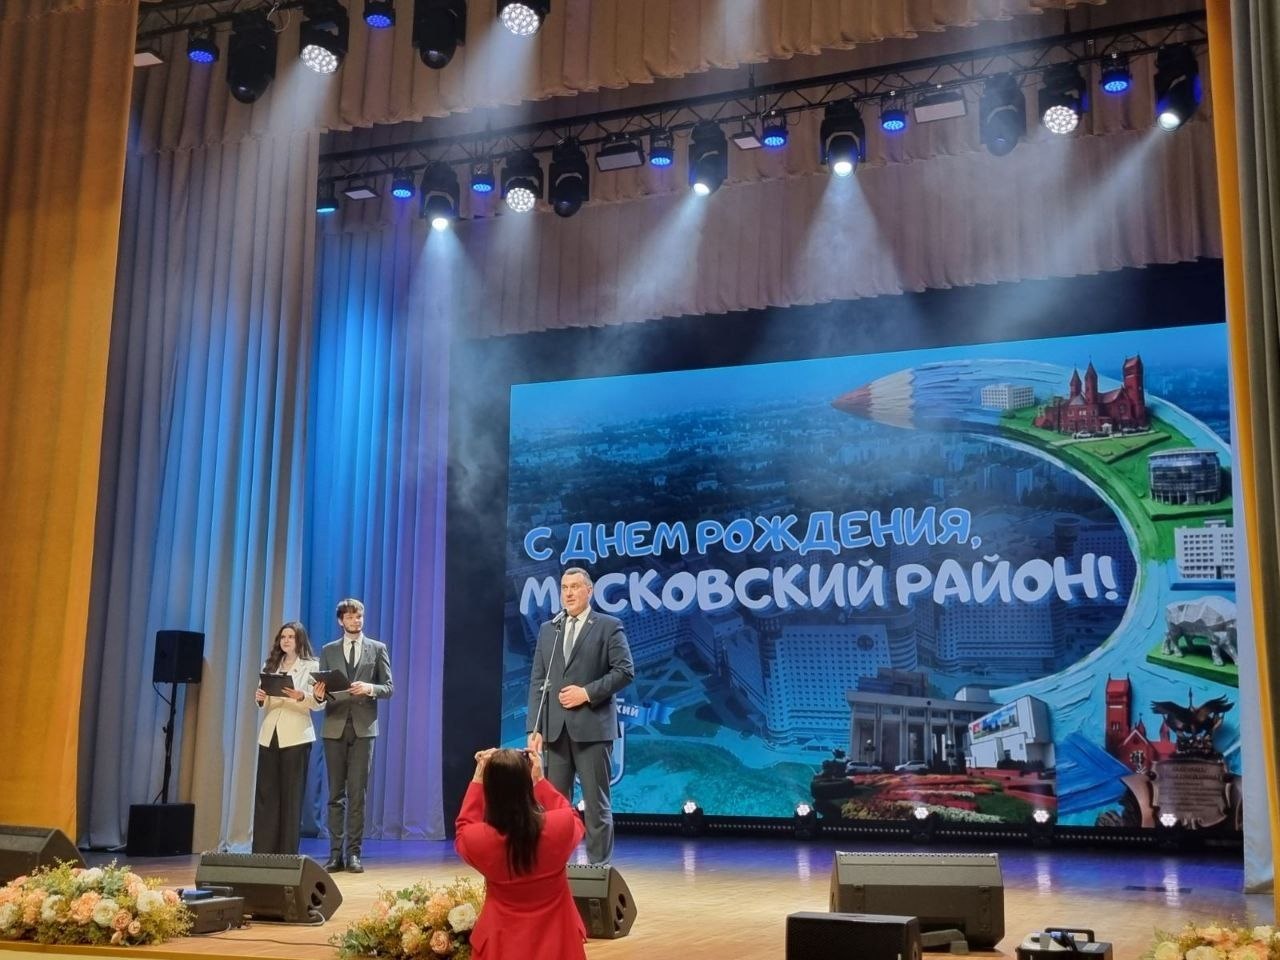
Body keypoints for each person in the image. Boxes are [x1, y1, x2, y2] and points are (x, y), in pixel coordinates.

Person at [526, 567, 634, 865]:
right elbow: (538, 681)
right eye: (564, 587)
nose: (569, 593)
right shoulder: (549, 629)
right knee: (554, 807)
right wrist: (534, 727)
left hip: (593, 729)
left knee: (596, 806)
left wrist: (586, 693)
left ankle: (599, 869)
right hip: (555, 731)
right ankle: (554, 868)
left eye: (575, 586)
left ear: (590, 590)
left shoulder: (608, 626)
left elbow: (625, 671)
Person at [455, 748, 587, 960]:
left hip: (501, 944)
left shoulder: (479, 840)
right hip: (558, 941)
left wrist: (478, 779)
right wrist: (540, 781)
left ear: (490, 790)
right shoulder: (559, 827)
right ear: (526, 785)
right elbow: (572, 818)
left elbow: (463, 828)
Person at [313, 598, 393, 873]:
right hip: (334, 726)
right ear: (341, 621)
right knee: (335, 794)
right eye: (349, 617)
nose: (355, 621)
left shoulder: (377, 648)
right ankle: (335, 854)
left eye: (358, 616)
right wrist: (318, 694)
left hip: (363, 728)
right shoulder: (328, 650)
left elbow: (389, 687)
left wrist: (370, 688)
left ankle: (354, 853)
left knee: (357, 793)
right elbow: (321, 691)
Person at [252, 621, 324, 854]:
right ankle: (263, 851)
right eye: (283, 636)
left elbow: (319, 703)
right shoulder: (271, 664)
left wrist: (302, 696)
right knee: (267, 794)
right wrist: (260, 697)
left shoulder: (311, 665)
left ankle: (287, 852)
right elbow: (263, 700)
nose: (286, 640)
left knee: (291, 795)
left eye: (291, 637)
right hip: (270, 734)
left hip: (296, 736)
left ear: (299, 640)